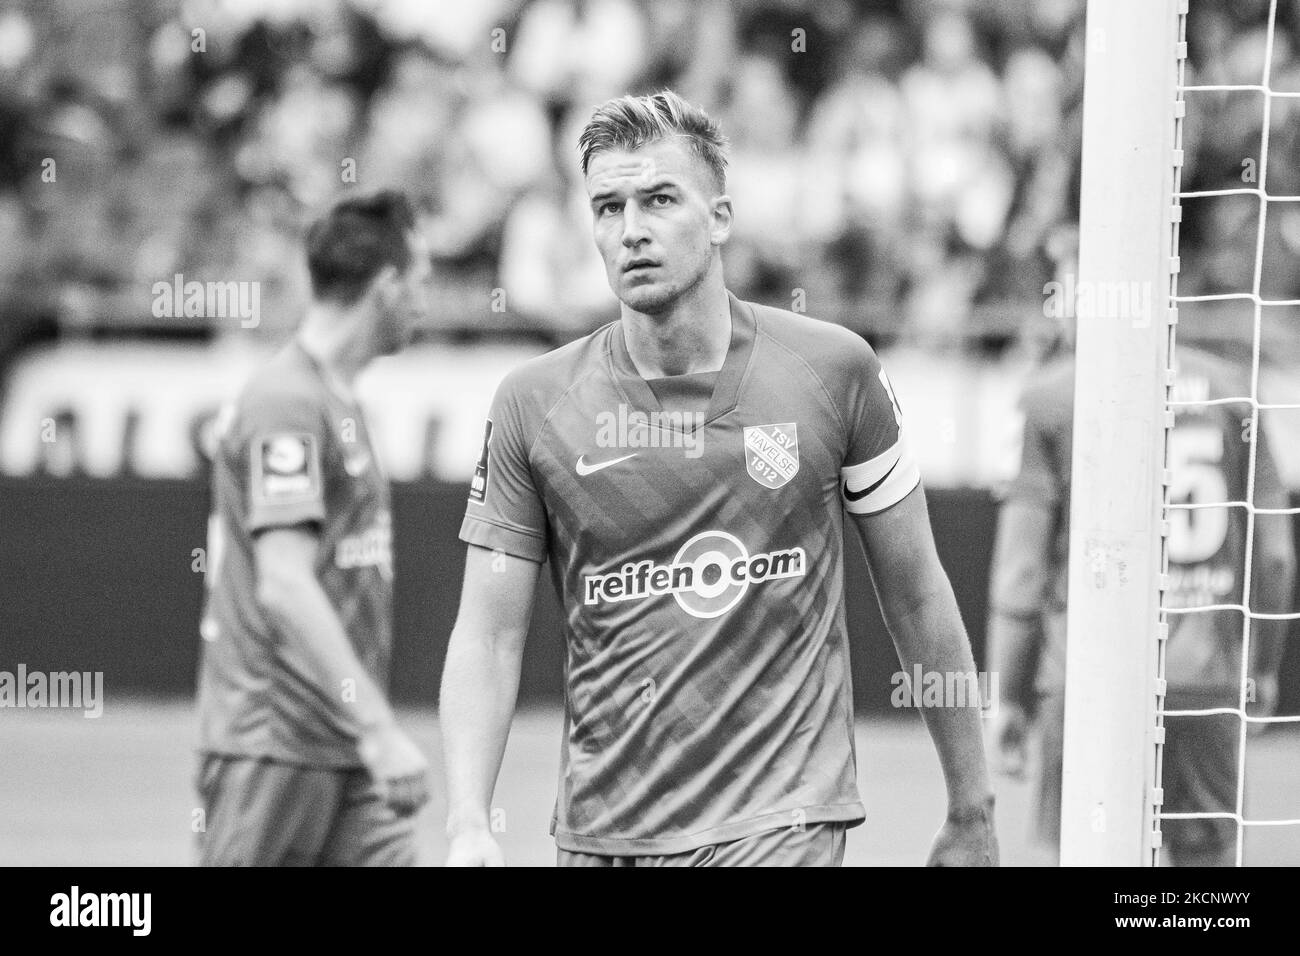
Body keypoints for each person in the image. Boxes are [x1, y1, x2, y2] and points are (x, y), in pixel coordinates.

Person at [439, 91, 998, 867]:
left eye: (660, 199)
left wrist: (972, 805)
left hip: (782, 821)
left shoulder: (835, 371)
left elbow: (916, 593)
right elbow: (490, 634)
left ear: (721, 217)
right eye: (608, 207)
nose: (631, 228)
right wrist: (468, 817)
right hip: (602, 835)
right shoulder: (533, 405)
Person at [987, 336, 1295, 866]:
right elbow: (1275, 560)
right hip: (1203, 677)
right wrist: (1262, 668)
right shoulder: (1235, 390)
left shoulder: (1054, 394)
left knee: (1070, 846)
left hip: (1087, 680)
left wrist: (1009, 695)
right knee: (1205, 870)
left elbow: (1024, 570)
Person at [195, 191, 433, 866]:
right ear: (386, 286)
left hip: (340, 744)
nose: (424, 300)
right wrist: (380, 727)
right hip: (274, 742)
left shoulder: (335, 397)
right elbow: (283, 583)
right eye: (420, 282)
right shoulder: (287, 401)